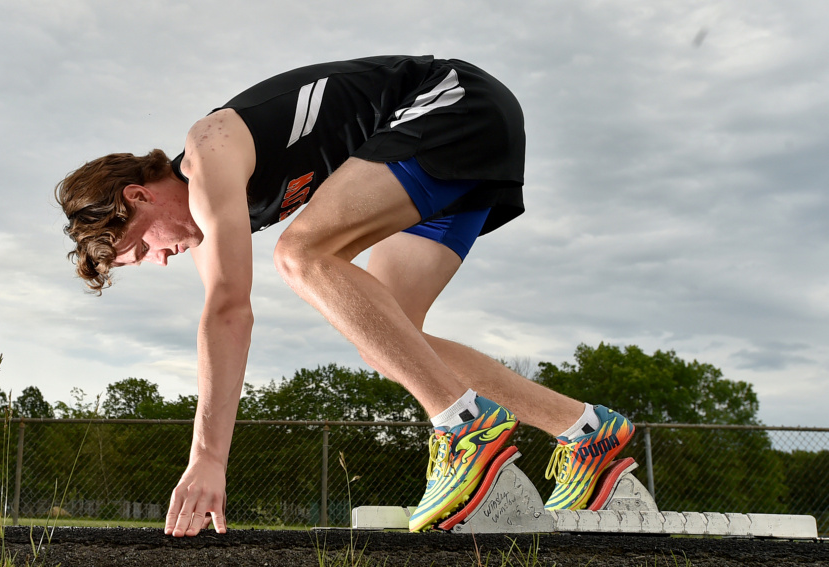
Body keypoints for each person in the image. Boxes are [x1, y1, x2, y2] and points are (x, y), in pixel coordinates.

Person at [55, 55, 634, 536]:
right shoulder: (214, 225)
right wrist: (210, 456)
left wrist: (207, 457)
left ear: (138, 195)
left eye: (140, 248)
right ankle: (586, 432)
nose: (158, 260)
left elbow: (231, 309)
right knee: (389, 339)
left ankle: (465, 430)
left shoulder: (209, 149)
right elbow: (225, 321)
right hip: (453, 152)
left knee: (300, 254)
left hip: (453, 104)